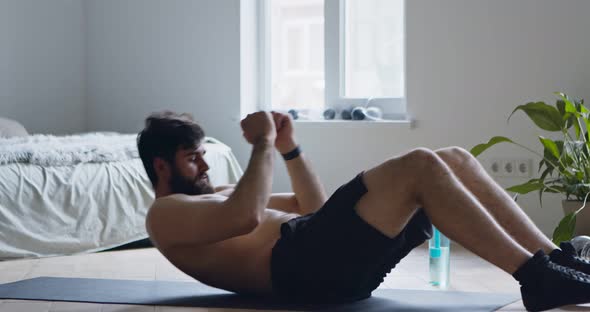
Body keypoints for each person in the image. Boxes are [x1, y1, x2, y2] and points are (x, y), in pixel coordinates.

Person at [137, 110, 590, 311]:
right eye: (192, 156)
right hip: (301, 272)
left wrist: (290, 149)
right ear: (161, 165)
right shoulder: (165, 216)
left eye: (201, 153)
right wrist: (262, 144)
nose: (204, 162)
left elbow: (310, 206)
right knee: (419, 166)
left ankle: (554, 260)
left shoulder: (218, 191)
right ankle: (535, 278)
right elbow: (245, 218)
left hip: (320, 254)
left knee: (453, 157)